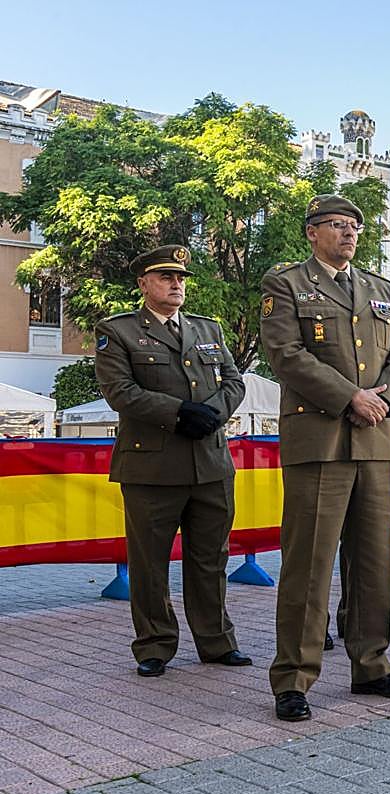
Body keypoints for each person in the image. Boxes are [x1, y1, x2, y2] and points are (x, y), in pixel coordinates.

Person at [260, 195, 390, 721]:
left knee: (374, 561)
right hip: (321, 439)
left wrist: (386, 399)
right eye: (337, 225)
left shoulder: (381, 288)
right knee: (309, 564)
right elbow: (285, 353)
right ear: (312, 232)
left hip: (375, 440)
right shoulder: (286, 283)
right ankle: (294, 678)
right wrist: (350, 396)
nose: (349, 233)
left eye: (354, 226)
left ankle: (371, 664)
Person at [94, 244, 249, 678]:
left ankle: (217, 641)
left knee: (210, 558)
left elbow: (234, 382)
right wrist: (179, 413)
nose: (177, 284)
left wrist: (214, 414)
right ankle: (154, 645)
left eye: (180, 277)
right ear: (143, 283)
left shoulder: (207, 329)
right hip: (152, 468)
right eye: (165, 277)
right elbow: (120, 392)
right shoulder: (118, 330)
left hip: (211, 464)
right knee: (150, 563)